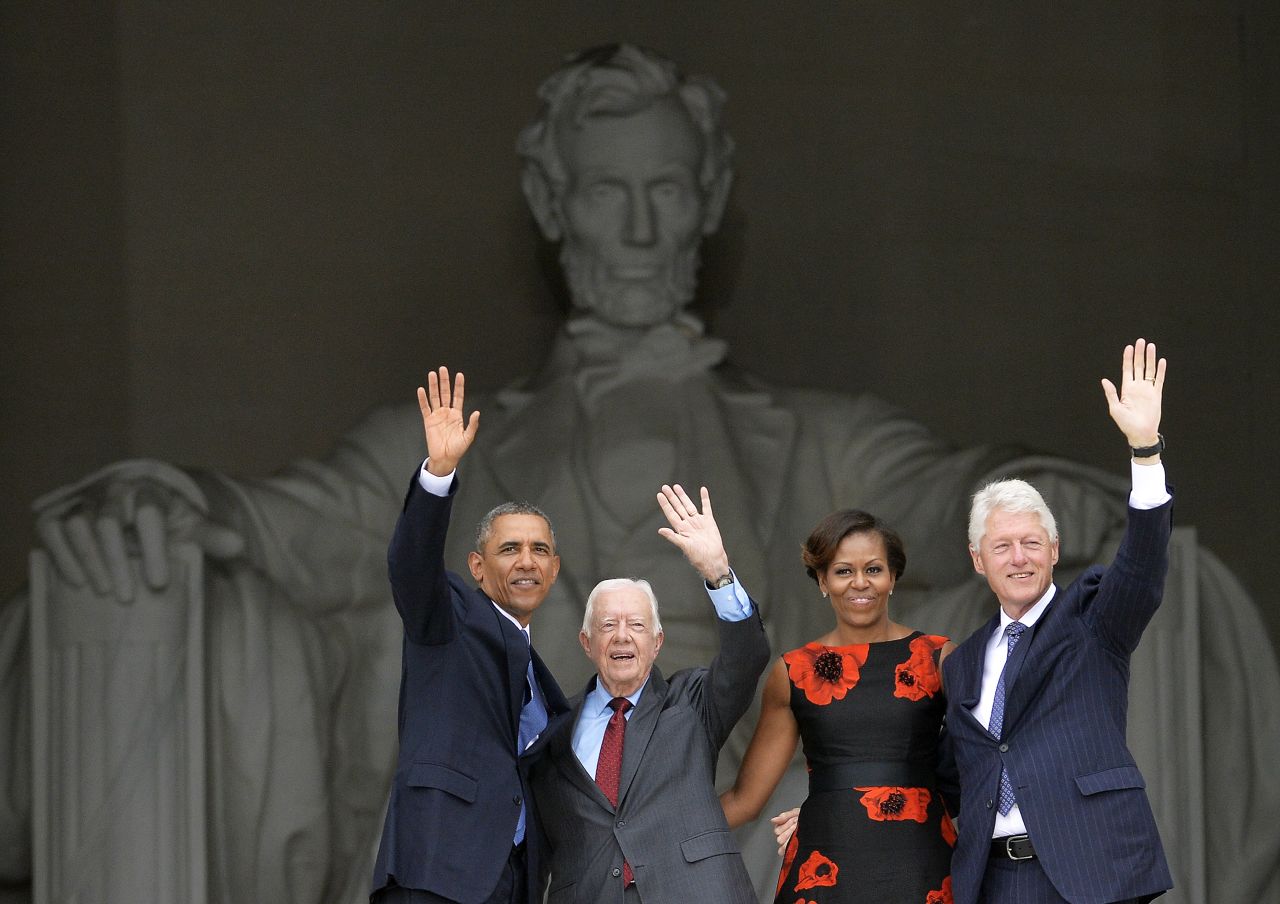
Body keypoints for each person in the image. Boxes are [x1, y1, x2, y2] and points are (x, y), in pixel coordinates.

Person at [5, 44, 1278, 904]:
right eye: (604, 191)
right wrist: (172, 504)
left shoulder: (819, 435)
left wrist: (1060, 491)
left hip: (766, 833)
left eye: (664, 189)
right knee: (145, 570)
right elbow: (295, 522)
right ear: (551, 202)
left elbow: (964, 486)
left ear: (708, 200)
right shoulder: (448, 436)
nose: (633, 228)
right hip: (555, 841)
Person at [940, 339, 1173, 904]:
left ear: (1053, 549)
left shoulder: (1093, 617)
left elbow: (1140, 565)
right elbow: (949, 773)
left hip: (1092, 867)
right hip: (996, 879)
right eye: (1002, 547)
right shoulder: (963, 659)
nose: (1018, 557)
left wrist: (1145, 450)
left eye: (1030, 543)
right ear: (978, 560)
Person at [369, 366, 570, 904]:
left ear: (554, 571)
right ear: (476, 568)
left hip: (513, 884)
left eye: (540, 551)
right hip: (438, 870)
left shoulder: (541, 678)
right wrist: (438, 473)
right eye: (510, 549)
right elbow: (412, 565)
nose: (527, 561)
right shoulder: (449, 618)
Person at [528, 483, 770, 903]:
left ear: (657, 643)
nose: (622, 636)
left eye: (636, 626)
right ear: (586, 643)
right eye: (608, 626)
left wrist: (717, 572)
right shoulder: (553, 729)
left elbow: (747, 658)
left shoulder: (693, 703)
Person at [720, 509, 956, 903]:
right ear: (822, 582)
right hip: (827, 860)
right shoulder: (793, 671)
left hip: (922, 861)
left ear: (893, 577)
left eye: (874, 569)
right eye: (843, 571)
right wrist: (653, 833)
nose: (860, 583)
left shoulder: (939, 657)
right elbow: (746, 799)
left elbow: (984, 759)